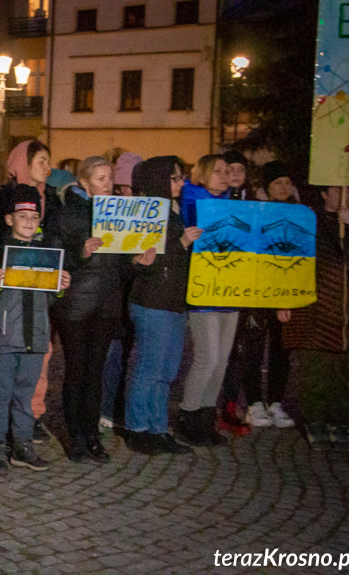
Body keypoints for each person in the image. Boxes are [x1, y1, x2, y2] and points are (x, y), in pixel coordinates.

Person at [53, 157, 155, 463]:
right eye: (100, 179)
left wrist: (136, 263)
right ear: (84, 182)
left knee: (96, 373)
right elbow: (55, 254)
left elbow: (121, 264)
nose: (108, 184)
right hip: (76, 304)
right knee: (76, 371)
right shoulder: (69, 211)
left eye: (110, 178)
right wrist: (79, 253)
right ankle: (75, 436)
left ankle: (92, 435)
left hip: (107, 304)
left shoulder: (120, 212)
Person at [0, 185, 70, 473]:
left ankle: (22, 445)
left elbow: (50, 298)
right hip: (3, 338)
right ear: (8, 219)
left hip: (35, 338)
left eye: (34, 216)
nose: (29, 221)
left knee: (26, 395)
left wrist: (61, 288)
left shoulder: (47, 256)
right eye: (22, 215)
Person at [278, 186, 349, 450]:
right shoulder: (307, 221)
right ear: (325, 194)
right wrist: (283, 299)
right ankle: (314, 421)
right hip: (314, 309)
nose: (344, 196)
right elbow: (287, 260)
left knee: (348, 371)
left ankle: (339, 421)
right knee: (315, 369)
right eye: (338, 191)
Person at [0, 140, 64, 443]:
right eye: (41, 161)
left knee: (32, 375)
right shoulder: (6, 202)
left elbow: (54, 277)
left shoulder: (53, 202)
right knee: (1, 390)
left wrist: (60, 283)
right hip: (6, 326)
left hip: (36, 322)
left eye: (35, 218)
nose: (48, 168)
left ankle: (25, 432)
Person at [123, 156, 198, 455]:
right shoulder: (147, 214)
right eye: (175, 178)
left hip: (175, 302)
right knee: (149, 368)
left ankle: (158, 428)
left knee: (166, 371)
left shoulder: (176, 211)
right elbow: (141, 263)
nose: (181, 183)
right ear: (158, 181)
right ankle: (137, 428)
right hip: (152, 302)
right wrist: (180, 244)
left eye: (182, 177)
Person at [220, 161, 296, 432]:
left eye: (287, 182)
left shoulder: (300, 213)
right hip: (257, 291)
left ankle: (275, 401)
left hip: (285, 291)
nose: (283, 188)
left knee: (281, 349)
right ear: (267, 186)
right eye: (277, 183)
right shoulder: (256, 212)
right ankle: (254, 402)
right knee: (252, 348)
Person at [178, 155, 236, 446]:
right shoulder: (191, 203)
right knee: (207, 357)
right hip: (204, 291)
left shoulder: (231, 204)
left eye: (228, 171)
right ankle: (188, 415)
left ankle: (205, 418)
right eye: (218, 171)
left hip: (230, 291)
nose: (225, 176)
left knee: (221, 361)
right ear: (202, 174)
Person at [99, 151, 142, 430]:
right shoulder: (108, 211)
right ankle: (105, 409)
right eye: (123, 187)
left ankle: (115, 407)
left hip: (133, 298)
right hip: (112, 298)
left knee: (124, 358)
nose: (127, 192)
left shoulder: (145, 213)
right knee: (110, 359)